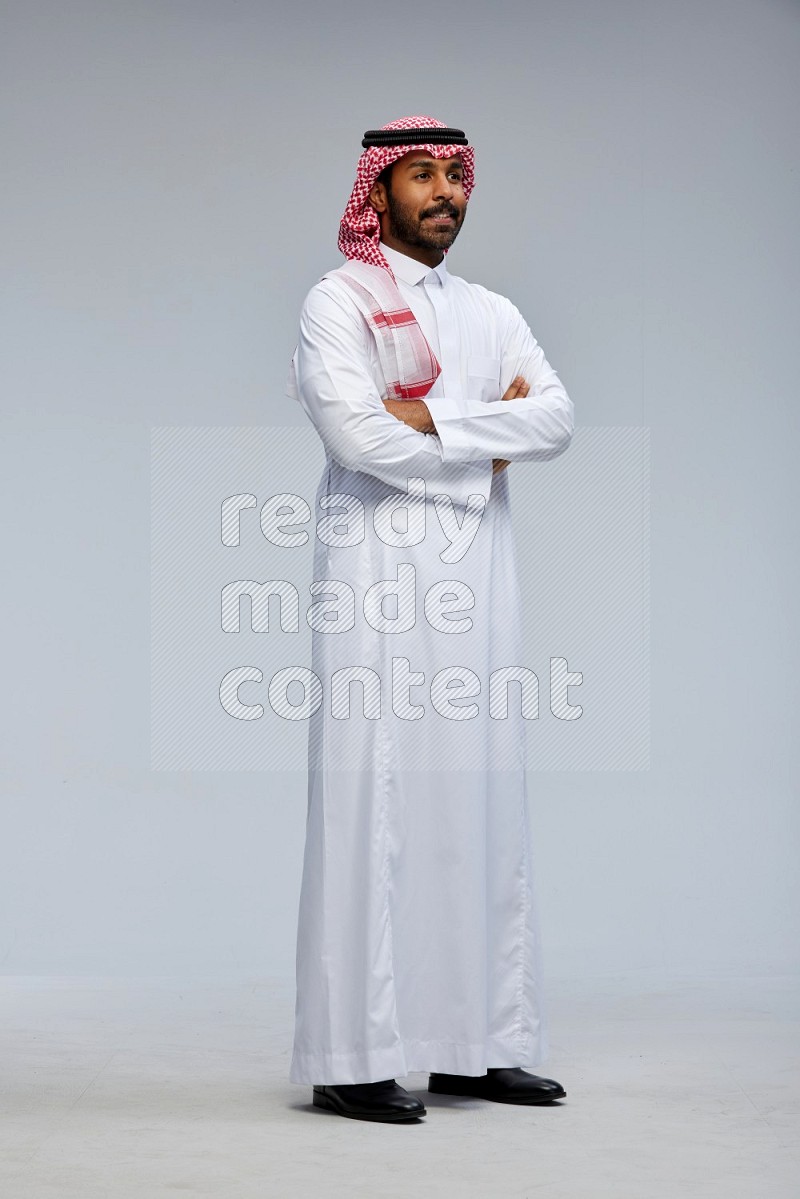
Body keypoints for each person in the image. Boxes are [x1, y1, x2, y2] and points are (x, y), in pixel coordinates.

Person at [285, 115, 574, 1123]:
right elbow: (356, 437)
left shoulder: (491, 309)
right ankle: (350, 1054)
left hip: (478, 580)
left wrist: (433, 419)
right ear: (376, 193)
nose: (444, 191)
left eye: (456, 173)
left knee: (480, 796)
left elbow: (554, 418)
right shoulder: (339, 301)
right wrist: (478, 434)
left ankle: (478, 1043)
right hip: (375, 572)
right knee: (374, 798)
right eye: (421, 175)